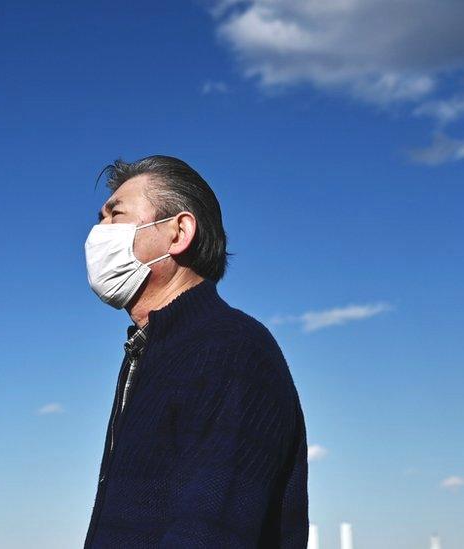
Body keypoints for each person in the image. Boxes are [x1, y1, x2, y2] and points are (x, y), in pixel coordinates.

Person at [82, 155, 308, 548]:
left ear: (178, 232)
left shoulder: (231, 349)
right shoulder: (153, 352)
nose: (98, 232)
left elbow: (211, 529)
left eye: (115, 215)